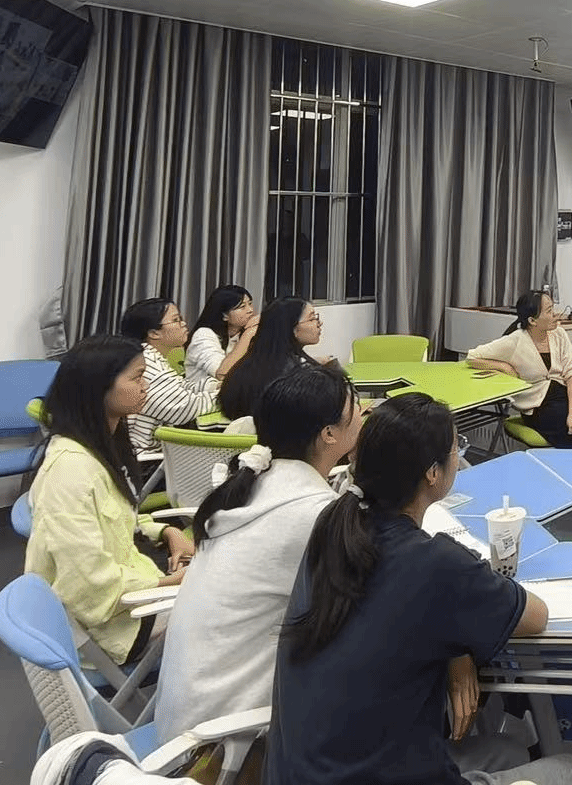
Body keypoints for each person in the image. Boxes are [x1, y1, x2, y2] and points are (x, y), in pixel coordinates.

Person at [265, 395, 572, 785]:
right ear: (433, 473)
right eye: (456, 449)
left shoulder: (334, 528)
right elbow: (536, 616)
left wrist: (455, 646)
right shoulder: (438, 563)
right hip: (377, 773)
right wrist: (469, 591)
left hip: (302, 771)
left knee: (509, 750)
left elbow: (389, 614)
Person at [154, 364, 363, 742]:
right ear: (330, 433)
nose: (364, 414)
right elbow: (374, 601)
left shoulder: (251, 486)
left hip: (181, 719)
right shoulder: (312, 513)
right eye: (357, 407)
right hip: (223, 747)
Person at [25, 336, 194, 665]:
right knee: (239, 614)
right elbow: (86, 584)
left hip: (129, 598)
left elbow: (116, 514)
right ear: (98, 388)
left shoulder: (101, 443)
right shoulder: (70, 471)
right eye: (137, 377)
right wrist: (169, 582)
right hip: (112, 628)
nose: (145, 386)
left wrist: (167, 532)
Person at [466, 291, 572, 450]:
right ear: (532, 320)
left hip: (560, 392)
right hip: (537, 407)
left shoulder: (559, 334)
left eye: (553, 308)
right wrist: (504, 366)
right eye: (549, 311)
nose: (555, 314)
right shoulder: (515, 341)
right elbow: (472, 357)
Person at [120, 298, 224, 456]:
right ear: (154, 333)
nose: (184, 323)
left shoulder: (151, 356)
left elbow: (182, 387)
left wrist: (214, 386)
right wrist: (228, 393)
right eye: (176, 320)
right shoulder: (145, 363)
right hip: (146, 457)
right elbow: (184, 408)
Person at [217, 296, 330, 425]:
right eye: (312, 318)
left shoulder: (248, 366)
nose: (319, 323)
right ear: (291, 329)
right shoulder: (295, 377)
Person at [184, 284, 259, 388]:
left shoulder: (242, 336)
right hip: (202, 396)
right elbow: (223, 374)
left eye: (250, 304)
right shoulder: (203, 335)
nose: (250, 310)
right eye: (242, 307)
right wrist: (250, 332)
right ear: (224, 315)